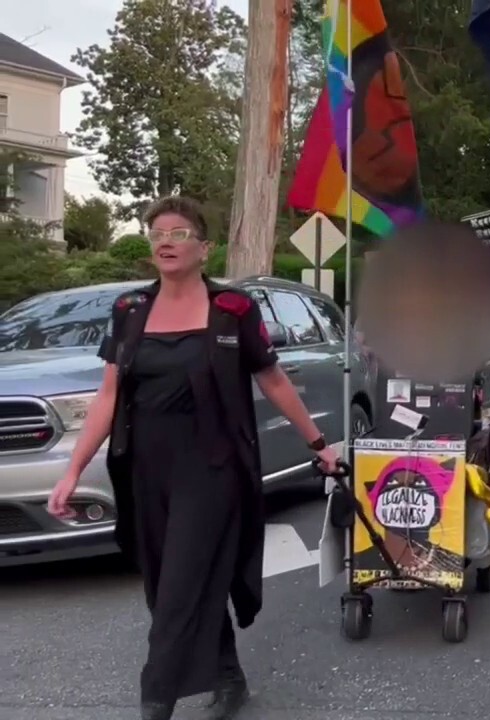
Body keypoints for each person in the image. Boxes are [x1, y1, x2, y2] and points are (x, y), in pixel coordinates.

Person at [45, 197, 339, 720]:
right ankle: (228, 675)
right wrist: (71, 472)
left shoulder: (233, 310)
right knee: (165, 586)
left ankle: (155, 700)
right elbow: (109, 396)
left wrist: (319, 444)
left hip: (213, 466)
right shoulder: (130, 310)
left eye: (180, 233)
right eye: (157, 231)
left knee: (181, 583)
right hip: (145, 469)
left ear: (204, 248)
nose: (165, 240)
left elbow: (271, 378)